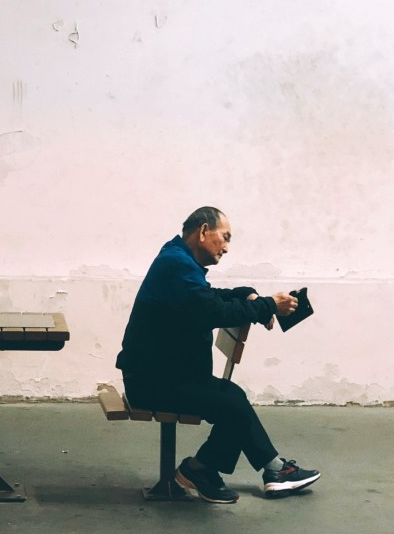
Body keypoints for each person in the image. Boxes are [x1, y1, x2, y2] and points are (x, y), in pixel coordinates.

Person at [116, 206, 321, 503]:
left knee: (233, 397)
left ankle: (264, 469)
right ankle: (203, 469)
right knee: (232, 406)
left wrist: (246, 294)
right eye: (225, 237)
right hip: (153, 383)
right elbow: (212, 311)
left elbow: (208, 297)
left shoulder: (176, 258)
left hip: (163, 375)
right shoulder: (176, 264)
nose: (226, 247)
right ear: (203, 232)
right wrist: (267, 305)